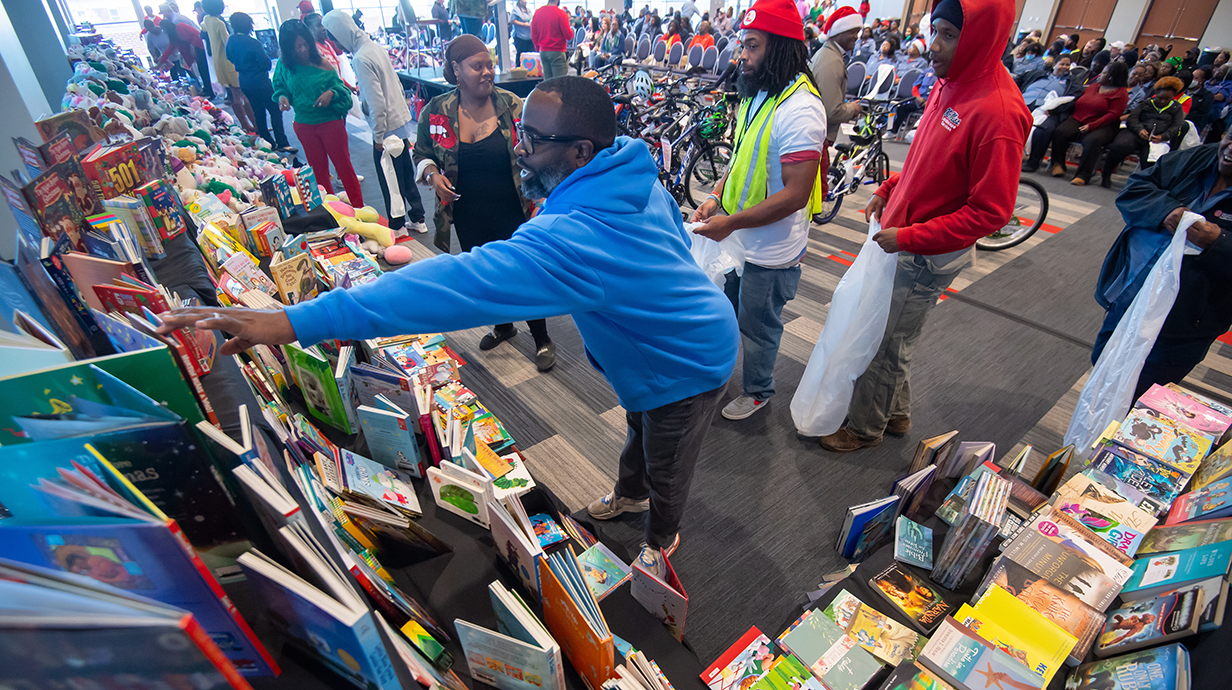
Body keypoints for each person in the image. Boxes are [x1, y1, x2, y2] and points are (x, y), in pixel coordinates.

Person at [157, 76, 739, 578]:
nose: (519, 149)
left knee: (667, 455)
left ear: (582, 151)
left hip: (687, 361)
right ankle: (631, 495)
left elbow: (450, 287)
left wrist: (291, 321)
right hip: (671, 339)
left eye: (533, 141)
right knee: (640, 430)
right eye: (522, 133)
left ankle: (661, 540)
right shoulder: (627, 167)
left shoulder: (577, 239)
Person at [818, 0, 1031, 452]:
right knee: (898, 335)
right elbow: (927, 163)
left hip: (927, 252)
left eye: (949, 35)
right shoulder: (950, 82)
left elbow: (991, 212)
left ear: (978, 37)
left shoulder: (997, 111)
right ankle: (895, 413)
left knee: (885, 339)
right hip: (907, 238)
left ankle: (864, 427)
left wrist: (911, 237)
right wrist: (891, 187)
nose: (934, 47)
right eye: (935, 31)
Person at [690, 0, 827, 421]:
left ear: (781, 48)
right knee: (726, 312)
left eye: (751, 46)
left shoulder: (801, 109)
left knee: (759, 326)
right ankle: (726, 374)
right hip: (737, 237)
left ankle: (759, 390)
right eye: (742, 45)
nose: (741, 56)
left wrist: (730, 222)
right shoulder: (759, 96)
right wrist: (715, 197)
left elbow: (795, 195)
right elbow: (739, 161)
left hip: (771, 251)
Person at [407, 35, 554, 370]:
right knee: (485, 273)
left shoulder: (513, 105)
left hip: (514, 209)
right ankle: (503, 325)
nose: (487, 72)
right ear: (456, 69)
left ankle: (542, 337)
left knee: (523, 275)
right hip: (468, 211)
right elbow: (422, 153)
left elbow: (541, 149)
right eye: (478, 66)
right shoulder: (437, 111)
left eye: (489, 64)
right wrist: (432, 176)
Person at [1092, 130, 1232, 399]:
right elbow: (1134, 188)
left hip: (1186, 321)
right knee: (1103, 366)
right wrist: (1165, 210)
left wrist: (1219, 242)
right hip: (1132, 293)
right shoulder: (1198, 158)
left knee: (1145, 392)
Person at [322, 11, 428, 234]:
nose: (336, 43)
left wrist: (378, 136)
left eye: (335, 38)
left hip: (386, 128)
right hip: (399, 122)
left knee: (389, 179)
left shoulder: (361, 57)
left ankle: (398, 227)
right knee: (405, 173)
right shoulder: (374, 47)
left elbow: (375, 101)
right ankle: (418, 218)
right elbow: (395, 84)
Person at [272, 19, 362, 205]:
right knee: (318, 173)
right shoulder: (284, 65)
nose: (303, 49)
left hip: (330, 123)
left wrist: (331, 92)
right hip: (304, 125)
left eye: (305, 44)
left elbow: (342, 90)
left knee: (344, 168)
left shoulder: (322, 63)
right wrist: (282, 97)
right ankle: (332, 211)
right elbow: (279, 86)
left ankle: (359, 207)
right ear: (288, 49)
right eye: (297, 47)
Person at [1024, 61, 1128, 180]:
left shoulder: (1121, 93)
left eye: (1104, 73)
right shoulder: (1093, 87)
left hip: (1103, 125)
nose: (1100, 74)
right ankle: (1058, 164)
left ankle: (1083, 175)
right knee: (1060, 132)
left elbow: (1113, 114)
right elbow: (1076, 101)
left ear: (1112, 76)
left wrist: (1092, 126)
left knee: (1092, 140)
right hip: (1079, 118)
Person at [226, 12, 295, 153]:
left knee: (258, 112)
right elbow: (265, 63)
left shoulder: (231, 41)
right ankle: (282, 142)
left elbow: (229, 58)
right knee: (275, 110)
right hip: (259, 80)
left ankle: (266, 141)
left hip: (244, 80)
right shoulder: (253, 42)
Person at [1099, 77, 1186, 187]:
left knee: (1150, 160)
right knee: (1120, 146)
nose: (1163, 101)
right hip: (1136, 133)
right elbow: (1133, 118)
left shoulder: (1176, 108)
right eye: (1161, 98)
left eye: (1167, 99)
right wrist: (1140, 129)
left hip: (1156, 138)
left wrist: (1163, 136)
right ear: (1156, 93)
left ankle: (1143, 186)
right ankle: (1106, 174)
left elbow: (1176, 126)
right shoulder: (1146, 103)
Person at [201, 0, 256, 132]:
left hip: (218, 61)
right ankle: (255, 124)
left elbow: (202, 31)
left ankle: (245, 125)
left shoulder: (206, 19)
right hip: (228, 62)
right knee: (244, 94)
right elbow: (228, 42)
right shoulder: (219, 23)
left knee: (233, 93)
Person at [811, 6, 862, 146]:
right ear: (839, 31)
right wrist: (852, 108)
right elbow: (831, 112)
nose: (856, 37)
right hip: (819, 138)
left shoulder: (829, 55)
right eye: (853, 31)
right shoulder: (831, 60)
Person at [303, 12, 357, 92]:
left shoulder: (327, 44)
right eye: (319, 25)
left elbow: (335, 75)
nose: (324, 28)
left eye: (323, 24)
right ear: (310, 29)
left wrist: (348, 86)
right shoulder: (314, 50)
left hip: (337, 90)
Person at [156, 18, 205, 91]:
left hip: (199, 50)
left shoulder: (181, 27)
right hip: (189, 57)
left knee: (203, 73)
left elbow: (196, 34)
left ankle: (208, 90)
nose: (164, 31)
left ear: (167, 27)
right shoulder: (173, 36)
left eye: (163, 29)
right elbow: (169, 50)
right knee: (199, 74)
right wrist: (159, 64)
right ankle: (204, 89)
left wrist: (193, 47)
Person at [532, 0, 572, 80]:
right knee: (559, 84)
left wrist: (538, 48)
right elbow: (568, 36)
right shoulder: (561, 13)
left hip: (543, 51)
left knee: (547, 84)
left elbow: (534, 34)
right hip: (557, 51)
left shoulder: (538, 12)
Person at [891, 66, 936, 134]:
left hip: (933, 102)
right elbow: (915, 86)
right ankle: (893, 132)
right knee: (901, 108)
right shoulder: (927, 70)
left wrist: (930, 101)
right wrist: (917, 97)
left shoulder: (944, 73)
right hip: (919, 100)